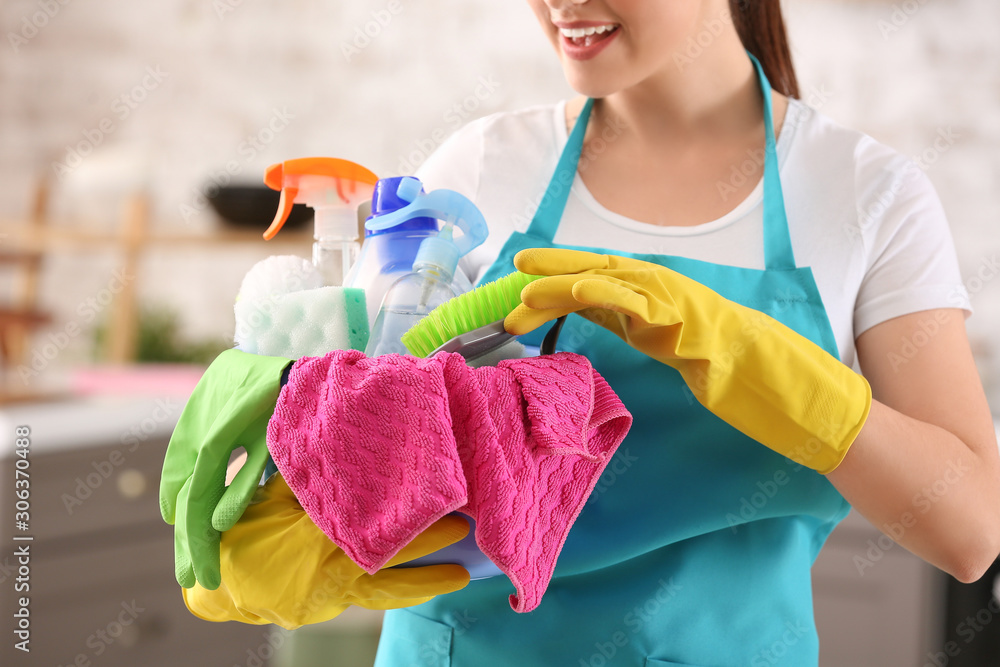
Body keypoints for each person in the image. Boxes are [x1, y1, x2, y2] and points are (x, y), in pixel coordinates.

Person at [175, 0, 1000, 664]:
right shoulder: (480, 168)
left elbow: (969, 533)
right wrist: (277, 481)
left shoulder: (862, 195)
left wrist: (766, 366)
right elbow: (357, 439)